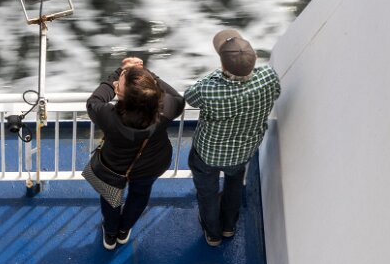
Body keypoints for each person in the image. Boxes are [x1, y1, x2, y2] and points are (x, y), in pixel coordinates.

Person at [184, 29, 281, 247]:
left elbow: (190, 97)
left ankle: (213, 234)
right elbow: (275, 93)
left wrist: (219, 74)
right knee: (234, 185)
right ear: (254, 58)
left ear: (223, 65)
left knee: (207, 193)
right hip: (243, 151)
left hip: (207, 153)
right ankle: (228, 227)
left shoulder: (209, 89)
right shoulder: (268, 77)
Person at [86, 57, 185, 250]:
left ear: (124, 98)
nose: (116, 83)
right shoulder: (166, 109)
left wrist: (120, 72)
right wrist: (144, 75)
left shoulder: (108, 116)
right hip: (152, 164)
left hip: (113, 166)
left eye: (118, 86)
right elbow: (179, 99)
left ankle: (111, 233)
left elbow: (93, 101)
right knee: (140, 195)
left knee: (110, 197)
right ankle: (124, 231)